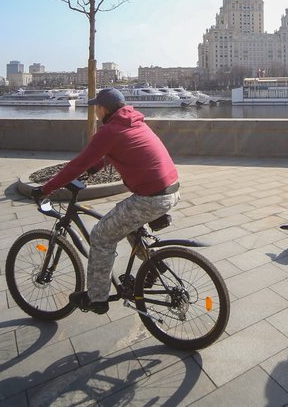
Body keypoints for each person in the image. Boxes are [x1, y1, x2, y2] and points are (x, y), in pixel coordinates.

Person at [36, 87, 180, 314]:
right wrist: (92, 170)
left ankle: (97, 299)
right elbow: (111, 153)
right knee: (127, 225)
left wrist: (46, 188)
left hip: (151, 198)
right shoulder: (134, 121)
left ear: (103, 109)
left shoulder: (110, 131)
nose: (94, 112)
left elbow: (77, 163)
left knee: (101, 236)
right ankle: (155, 265)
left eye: (96, 108)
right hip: (170, 189)